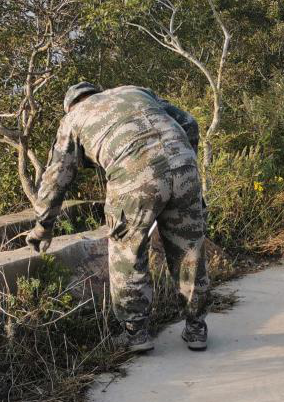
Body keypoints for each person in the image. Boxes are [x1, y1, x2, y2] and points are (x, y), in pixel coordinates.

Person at [27, 83, 209, 352]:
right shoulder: (134, 90)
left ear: (70, 105)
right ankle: (196, 327)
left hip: (135, 173)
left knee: (127, 250)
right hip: (183, 164)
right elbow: (189, 122)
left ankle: (135, 332)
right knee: (189, 249)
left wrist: (43, 225)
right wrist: (184, 164)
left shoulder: (73, 118)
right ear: (98, 92)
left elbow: (57, 177)